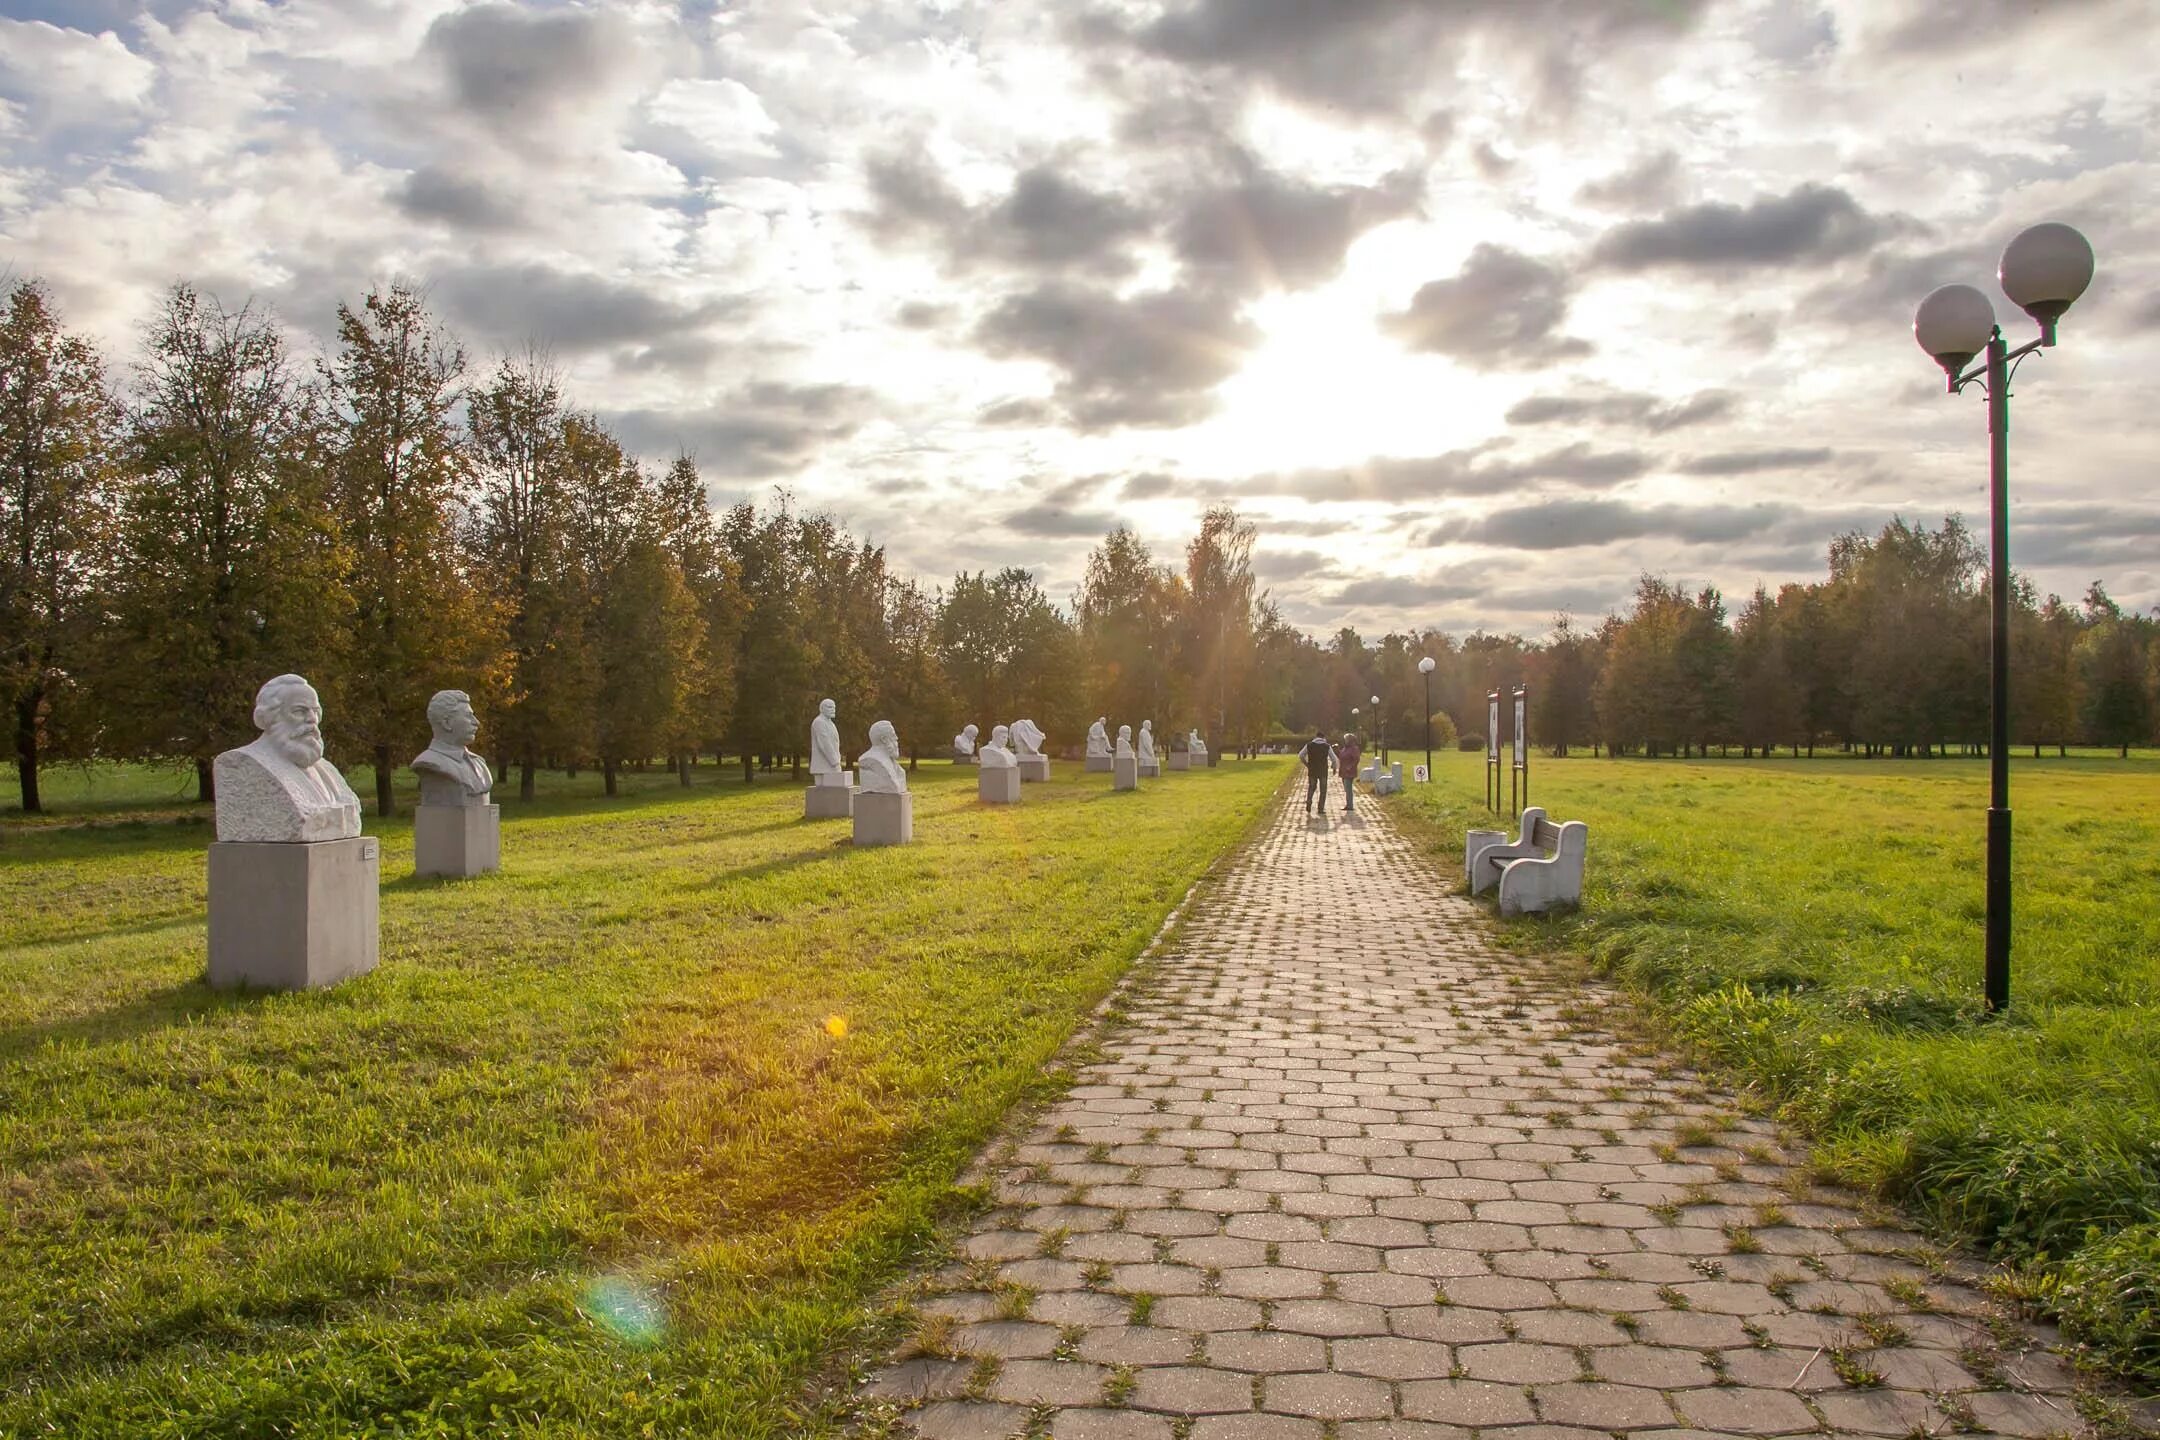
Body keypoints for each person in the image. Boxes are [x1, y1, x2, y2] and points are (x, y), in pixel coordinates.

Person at [1300, 727, 1332, 814]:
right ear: (1323, 738)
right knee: (1323, 789)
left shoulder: (1309, 745)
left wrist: (1306, 764)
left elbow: (1301, 755)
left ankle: (1309, 802)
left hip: (1312, 770)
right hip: (1323, 771)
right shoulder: (1327, 746)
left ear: (1316, 737)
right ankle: (1320, 808)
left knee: (1312, 787)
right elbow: (1334, 759)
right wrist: (1335, 767)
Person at [1336, 730, 1363, 813]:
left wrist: (1350, 766)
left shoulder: (1354, 749)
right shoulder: (1345, 748)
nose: (1345, 741)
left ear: (1350, 740)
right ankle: (1348, 804)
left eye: (1346, 739)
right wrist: (1336, 750)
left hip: (1349, 771)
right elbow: (1341, 756)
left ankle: (1350, 805)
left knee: (1348, 788)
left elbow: (1356, 759)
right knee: (1346, 788)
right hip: (1343, 770)